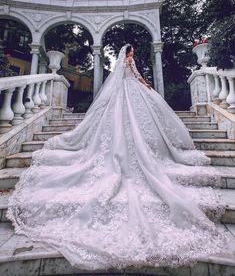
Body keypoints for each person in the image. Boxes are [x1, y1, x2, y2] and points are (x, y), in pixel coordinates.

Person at [7, 44, 227, 270]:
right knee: (135, 122)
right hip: (132, 91)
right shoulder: (129, 63)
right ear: (129, 53)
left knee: (122, 124)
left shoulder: (120, 67)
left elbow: (124, 76)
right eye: (131, 52)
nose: (131, 55)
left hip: (123, 93)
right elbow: (136, 76)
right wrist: (145, 84)